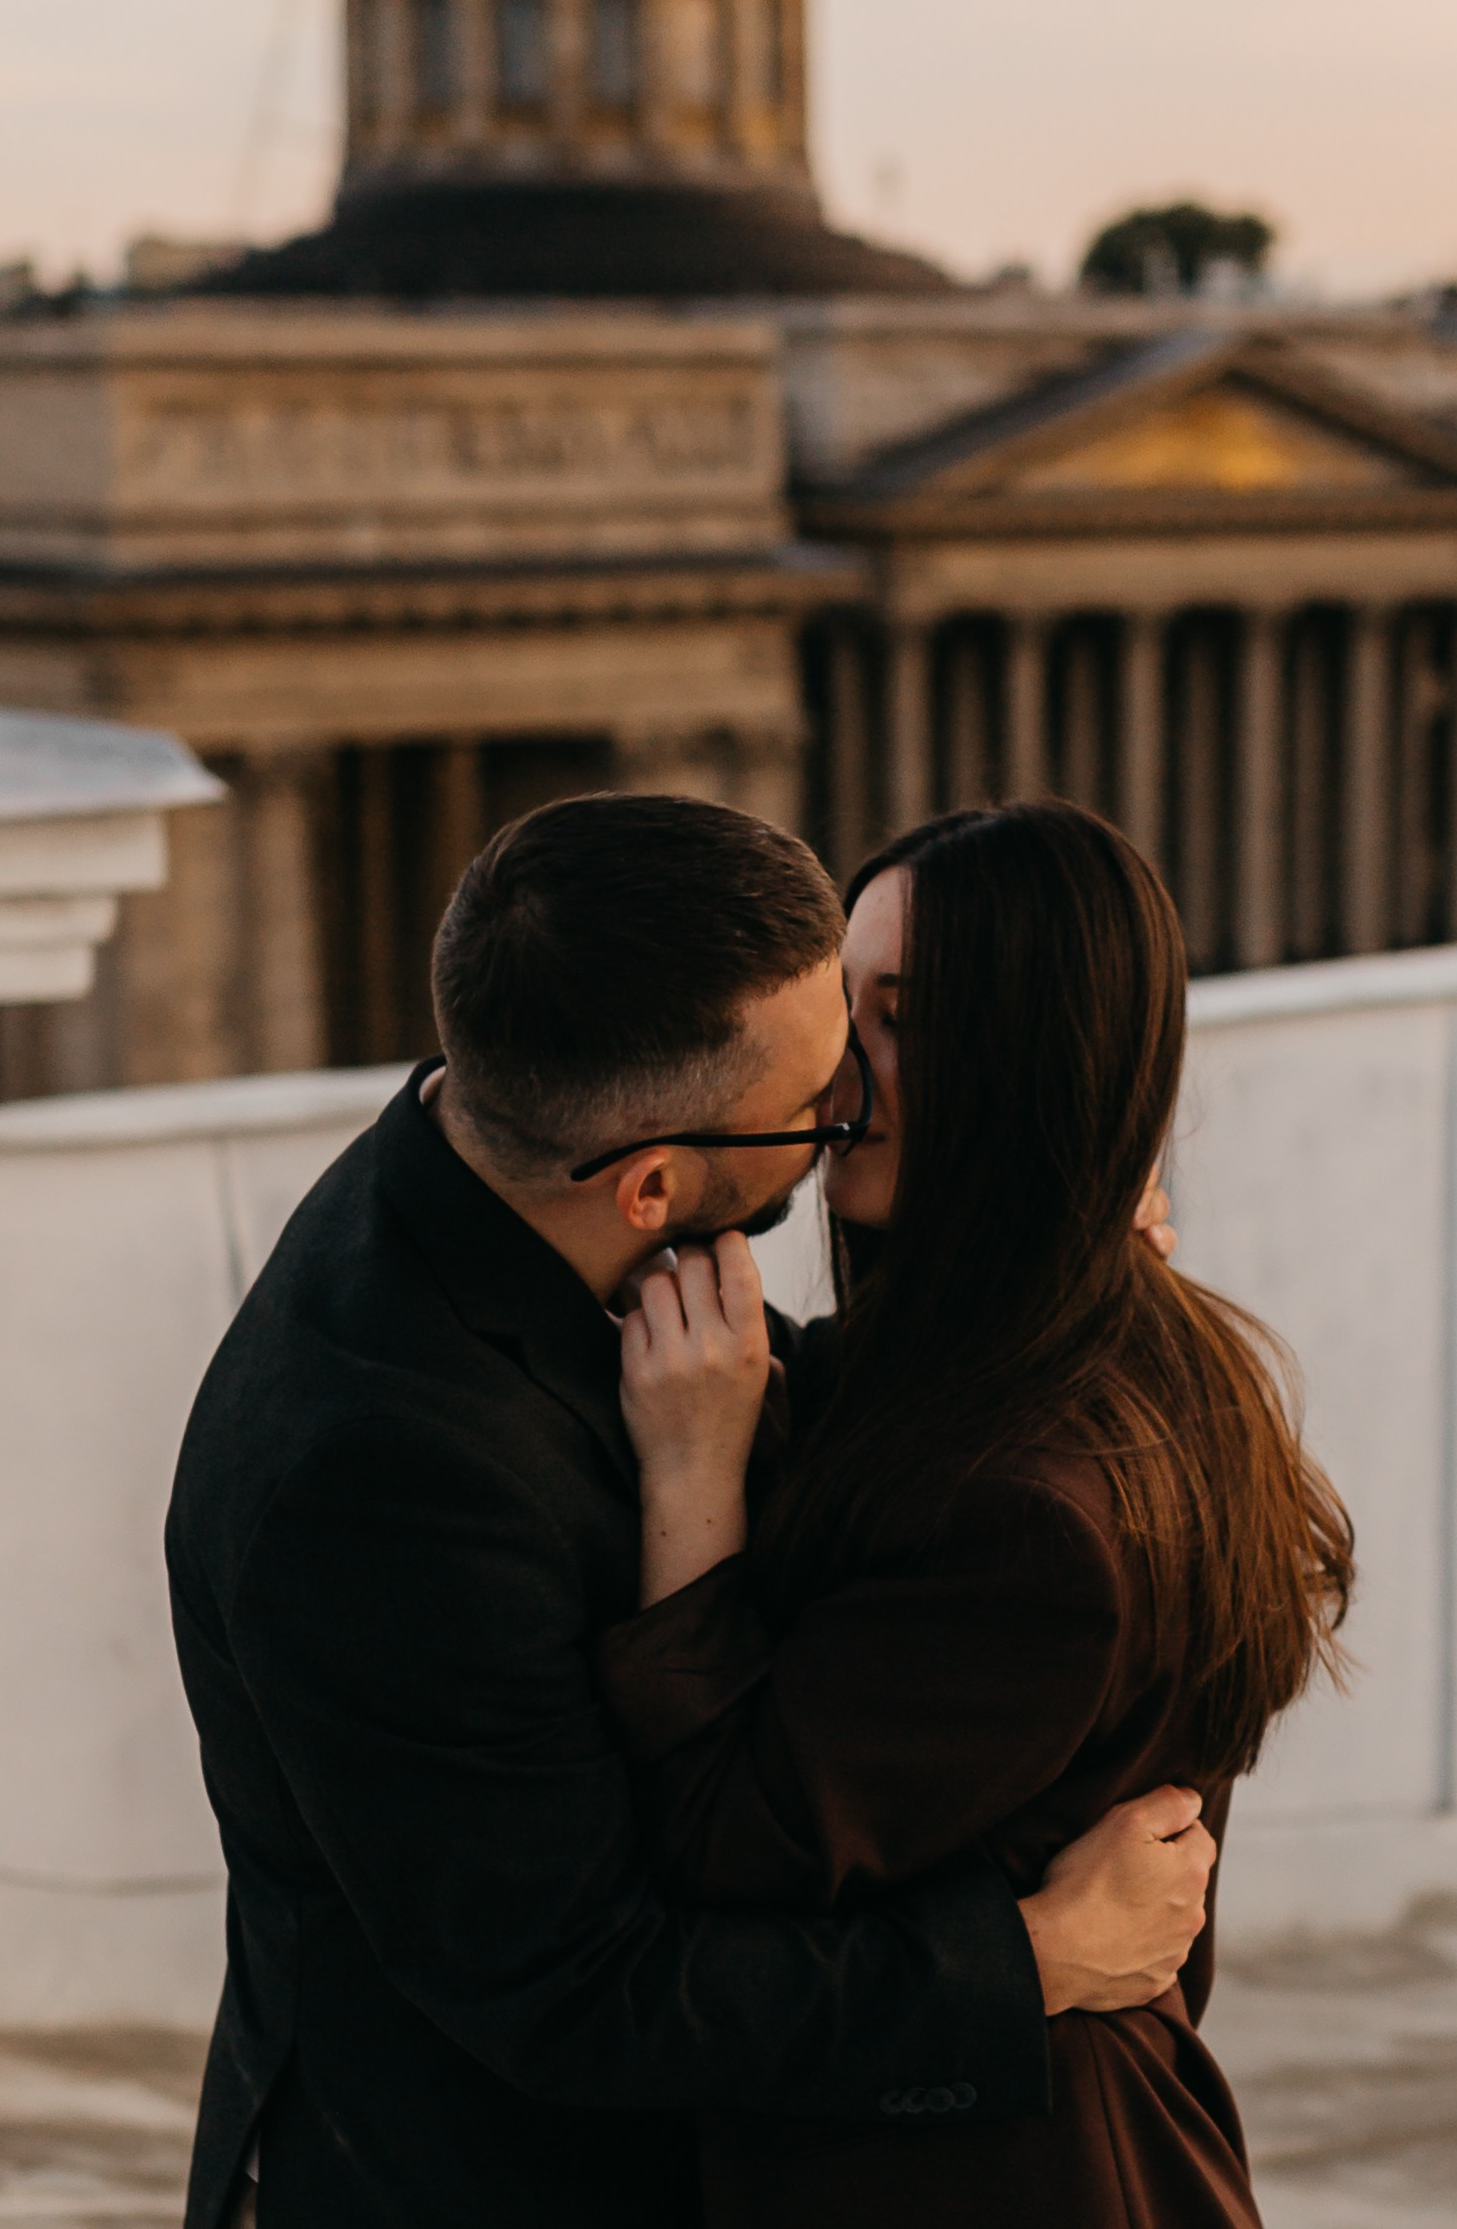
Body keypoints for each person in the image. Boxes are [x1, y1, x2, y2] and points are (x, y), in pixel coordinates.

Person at [166, 794, 1217, 2229]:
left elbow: (776, 1389)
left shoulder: (501, 1144)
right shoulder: (378, 1480)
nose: (852, 1094)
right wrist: (1022, 1962)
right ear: (655, 1183)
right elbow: (579, 1991)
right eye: (822, 1080)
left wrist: (1045, 1230)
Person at [599, 799, 1355, 2227]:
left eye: (903, 1023)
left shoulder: (1027, 1512)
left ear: (1033, 1071)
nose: (836, 1082)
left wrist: (692, 1477)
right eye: (840, 1016)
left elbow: (717, 1844)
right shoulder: (1121, 1361)